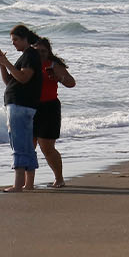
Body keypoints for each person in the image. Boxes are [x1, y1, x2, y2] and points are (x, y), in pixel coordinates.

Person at [0, 24, 43, 191]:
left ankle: (18, 185)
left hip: (20, 105)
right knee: (26, 144)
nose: (13, 43)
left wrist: (7, 62)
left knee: (19, 143)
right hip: (21, 104)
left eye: (16, 40)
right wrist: (2, 64)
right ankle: (28, 183)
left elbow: (23, 78)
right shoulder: (26, 56)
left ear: (24, 39)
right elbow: (11, 81)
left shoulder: (30, 55)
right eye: (12, 40)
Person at [33, 37, 76, 188]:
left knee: (47, 147)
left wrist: (59, 78)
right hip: (30, 108)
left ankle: (59, 178)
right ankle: (27, 182)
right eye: (37, 51)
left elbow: (71, 82)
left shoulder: (53, 65)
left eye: (44, 51)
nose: (41, 54)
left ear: (49, 52)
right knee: (28, 146)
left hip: (49, 108)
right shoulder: (28, 64)